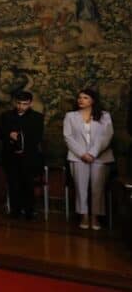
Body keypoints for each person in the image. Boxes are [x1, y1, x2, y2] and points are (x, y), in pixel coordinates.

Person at [64, 89, 114, 230]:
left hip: (100, 157)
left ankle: (95, 216)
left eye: (85, 97)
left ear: (93, 100)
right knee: (81, 188)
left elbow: (106, 136)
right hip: (78, 157)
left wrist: (92, 153)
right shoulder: (70, 116)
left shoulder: (104, 116)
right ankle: (84, 215)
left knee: (98, 188)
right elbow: (68, 137)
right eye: (79, 97)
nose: (81, 100)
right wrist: (82, 154)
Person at [0, 91, 43, 220]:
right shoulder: (6, 116)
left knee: (28, 184)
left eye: (25, 104)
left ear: (30, 103)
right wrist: (9, 135)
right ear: (14, 102)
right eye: (19, 103)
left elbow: (37, 137)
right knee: (13, 184)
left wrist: (23, 141)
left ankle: (29, 211)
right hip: (10, 156)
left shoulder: (37, 117)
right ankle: (15, 210)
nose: (21, 106)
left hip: (29, 157)